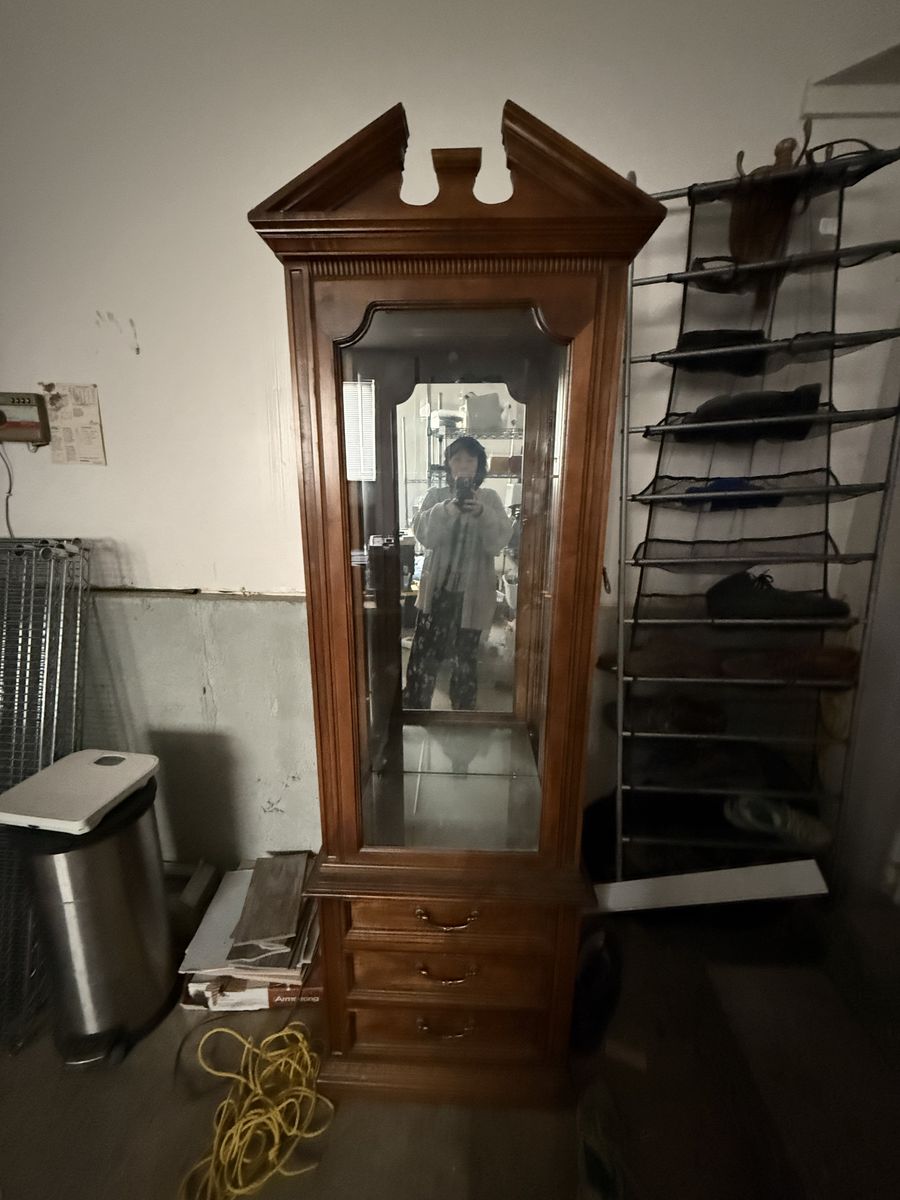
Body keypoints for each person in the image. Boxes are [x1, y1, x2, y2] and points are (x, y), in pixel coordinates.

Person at [403, 436, 513, 710]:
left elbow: (497, 541)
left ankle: (464, 717)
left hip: (473, 597)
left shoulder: (490, 499)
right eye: (457, 459)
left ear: (479, 466)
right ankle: (416, 710)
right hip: (437, 593)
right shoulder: (435, 496)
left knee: (466, 659)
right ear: (449, 465)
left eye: (470, 460)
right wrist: (448, 509)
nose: (464, 466)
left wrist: (483, 514)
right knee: (424, 655)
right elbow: (424, 535)